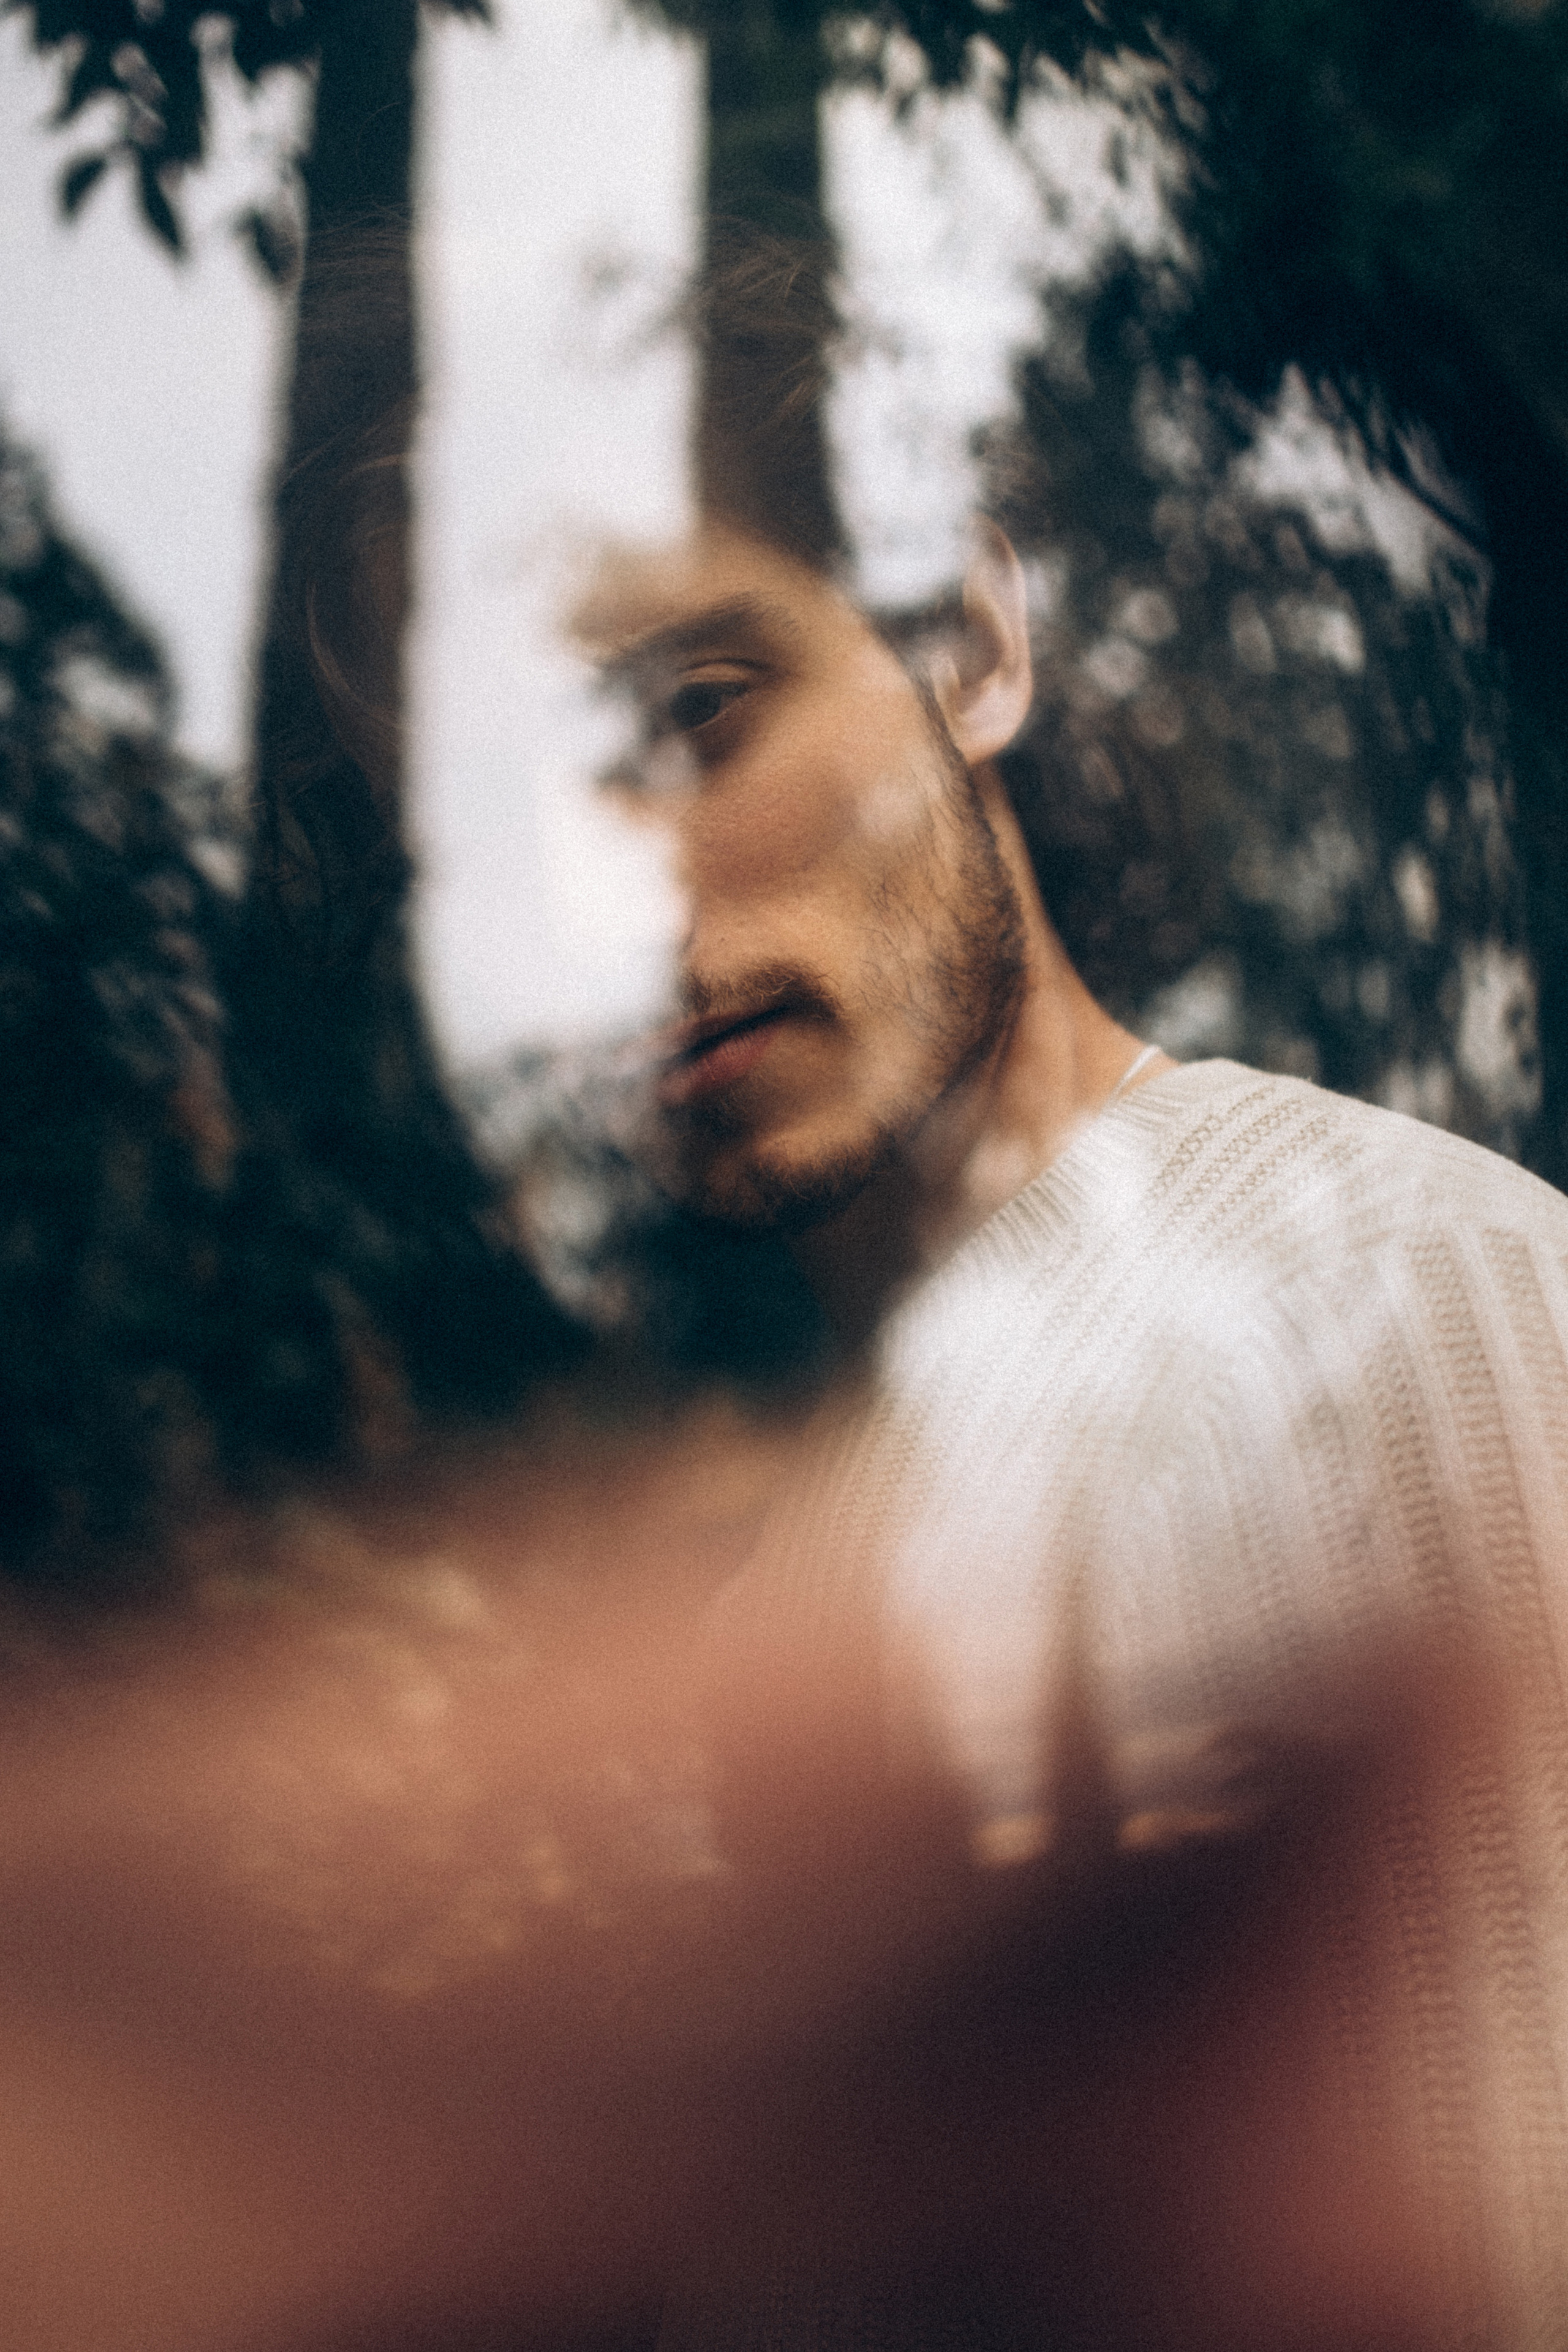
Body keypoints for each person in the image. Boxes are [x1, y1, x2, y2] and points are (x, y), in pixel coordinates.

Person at [562, 403, 1568, 2342]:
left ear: (971, 647)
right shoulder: (782, 1587)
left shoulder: (1407, 1289)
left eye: (705, 715)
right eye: (535, 818)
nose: (634, 895)